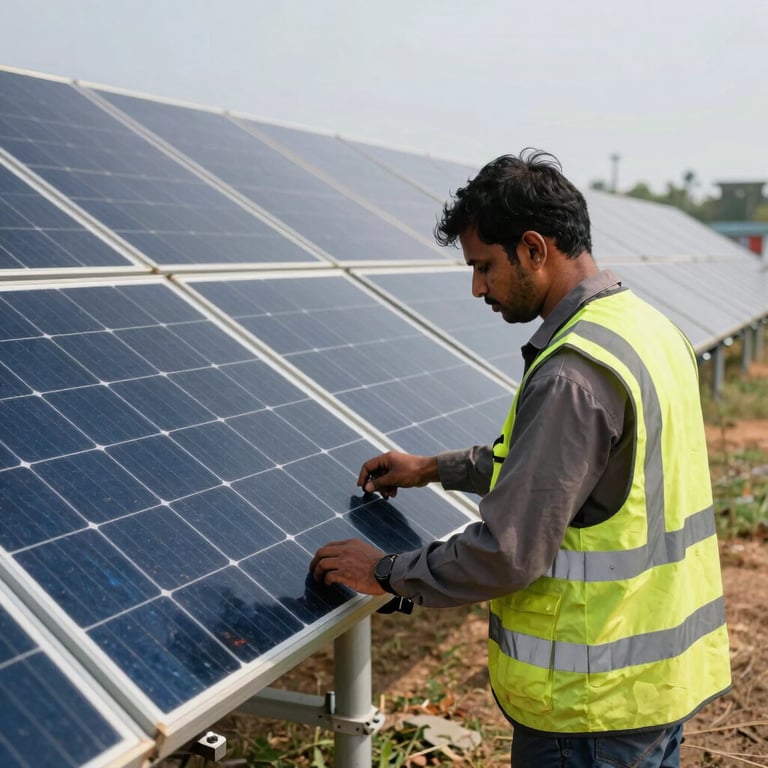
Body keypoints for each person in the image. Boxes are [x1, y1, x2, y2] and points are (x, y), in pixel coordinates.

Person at [310, 149, 732, 767]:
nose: (476, 286)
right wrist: (432, 468)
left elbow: (509, 552)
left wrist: (386, 572)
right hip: (656, 687)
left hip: (588, 708)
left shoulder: (572, 372)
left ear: (534, 248)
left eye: (483, 266)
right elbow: (575, 475)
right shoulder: (647, 329)